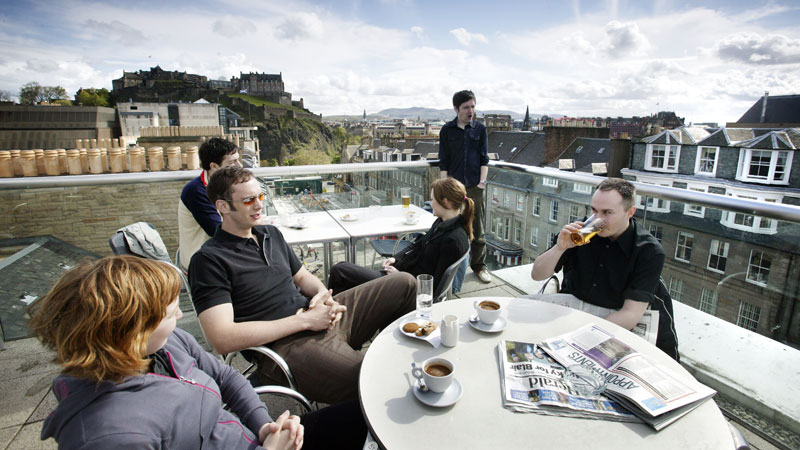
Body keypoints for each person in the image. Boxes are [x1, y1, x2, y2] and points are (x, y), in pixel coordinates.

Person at [29, 255, 367, 450]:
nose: (179, 317)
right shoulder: (111, 435)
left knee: (364, 415)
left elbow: (225, 375)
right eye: (169, 311)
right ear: (130, 330)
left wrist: (263, 426)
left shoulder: (163, 344)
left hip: (252, 437)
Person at [189, 166, 416, 404]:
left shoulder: (270, 234)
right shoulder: (209, 260)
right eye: (248, 200)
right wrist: (306, 320)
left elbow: (302, 277)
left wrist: (321, 295)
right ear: (223, 206)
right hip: (287, 345)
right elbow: (222, 338)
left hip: (315, 315)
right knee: (372, 378)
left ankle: (395, 357)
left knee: (405, 283)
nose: (258, 205)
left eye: (260, 196)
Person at [530, 178, 679, 360]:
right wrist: (560, 247)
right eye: (594, 210)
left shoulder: (648, 251)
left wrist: (581, 333)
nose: (598, 219)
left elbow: (630, 314)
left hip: (613, 318)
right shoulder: (581, 231)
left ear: (629, 212)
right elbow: (537, 275)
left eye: (607, 212)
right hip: (575, 307)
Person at [328, 177, 473, 296]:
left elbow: (434, 289)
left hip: (404, 287)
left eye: (433, 199)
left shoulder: (453, 240)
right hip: (400, 275)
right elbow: (417, 246)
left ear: (445, 201)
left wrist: (399, 277)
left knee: (340, 270)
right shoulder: (442, 222)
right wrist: (395, 258)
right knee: (342, 276)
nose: (430, 203)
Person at [438, 89, 491, 284]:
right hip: (453, 189)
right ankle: (451, 270)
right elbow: (444, 161)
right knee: (451, 228)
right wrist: (444, 188)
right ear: (456, 109)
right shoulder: (447, 130)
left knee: (477, 228)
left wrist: (482, 182)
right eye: (466, 107)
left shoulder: (480, 129)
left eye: (473, 106)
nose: (471, 111)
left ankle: (479, 266)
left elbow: (484, 158)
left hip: (475, 188)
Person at [178, 137, 243, 270]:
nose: (239, 166)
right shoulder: (196, 191)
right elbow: (218, 231)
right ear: (214, 166)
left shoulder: (226, 185)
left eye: (238, 160)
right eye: (232, 162)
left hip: (222, 254)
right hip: (202, 264)